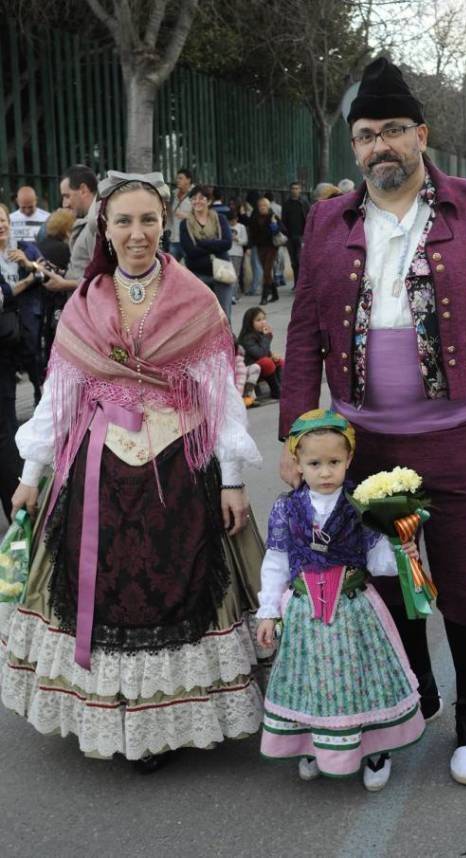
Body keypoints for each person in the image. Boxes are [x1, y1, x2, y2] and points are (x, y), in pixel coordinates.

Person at [278, 57, 466, 786]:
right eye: (366, 135)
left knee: (462, 578)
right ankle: (411, 696)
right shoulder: (330, 219)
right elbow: (304, 334)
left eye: (394, 130)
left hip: (459, 435)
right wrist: (300, 438)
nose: (380, 146)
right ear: (353, 148)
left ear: (422, 134)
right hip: (361, 442)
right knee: (387, 580)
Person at [2, 171, 265, 771]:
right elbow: (59, 399)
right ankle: (113, 704)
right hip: (100, 471)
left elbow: (221, 398)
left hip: (179, 466)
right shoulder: (84, 304)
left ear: (164, 224)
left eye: (149, 220)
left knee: (179, 585)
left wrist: (231, 479)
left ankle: (166, 714)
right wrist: (31, 472)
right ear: (106, 228)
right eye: (124, 221)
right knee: (107, 588)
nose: (137, 233)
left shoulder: (196, 300)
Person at [257, 409, 425, 789]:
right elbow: (276, 561)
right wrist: (268, 610)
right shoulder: (286, 508)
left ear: (349, 459)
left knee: (359, 678)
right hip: (304, 612)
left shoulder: (359, 506)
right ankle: (314, 744)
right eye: (314, 463)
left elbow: (377, 559)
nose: (325, 471)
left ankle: (375, 747)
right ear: (297, 462)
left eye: (334, 461)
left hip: (353, 609)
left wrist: (402, 552)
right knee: (311, 679)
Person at [0, 202, 44, 418]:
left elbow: (44, 273)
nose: (0, 226)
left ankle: (39, 394)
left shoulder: (25, 247)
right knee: (7, 379)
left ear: (9, 223)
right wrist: (26, 282)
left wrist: (28, 264)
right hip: (5, 326)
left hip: (27, 320)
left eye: (2, 220)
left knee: (33, 362)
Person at [39, 164, 99, 292]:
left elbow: (105, 280)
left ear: (83, 190)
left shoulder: (98, 224)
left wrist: (65, 284)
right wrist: (60, 274)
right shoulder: (92, 221)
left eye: (67, 196)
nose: (65, 203)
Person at [180, 184, 234, 320]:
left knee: (224, 315)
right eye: (193, 199)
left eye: (201, 198)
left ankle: (227, 340)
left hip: (222, 271)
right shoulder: (185, 223)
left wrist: (202, 243)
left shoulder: (219, 219)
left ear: (209, 201)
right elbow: (190, 251)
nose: (197, 201)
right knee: (201, 318)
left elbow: (227, 243)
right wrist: (216, 244)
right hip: (198, 273)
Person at [36, 207, 77, 367]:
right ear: (67, 228)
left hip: (43, 302)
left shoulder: (42, 244)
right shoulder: (64, 249)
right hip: (59, 303)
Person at [238, 307, 284, 399]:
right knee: (267, 362)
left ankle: (283, 387)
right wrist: (267, 337)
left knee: (280, 361)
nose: (263, 322)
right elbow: (260, 354)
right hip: (251, 369)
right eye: (258, 320)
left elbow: (266, 352)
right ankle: (276, 390)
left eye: (264, 319)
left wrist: (273, 356)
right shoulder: (247, 338)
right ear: (250, 323)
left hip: (260, 365)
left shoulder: (260, 334)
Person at [248, 198, 285, 305]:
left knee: (267, 272)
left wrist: (274, 225)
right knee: (266, 271)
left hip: (272, 247)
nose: (262, 207)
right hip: (260, 247)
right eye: (260, 205)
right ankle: (275, 294)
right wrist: (250, 247)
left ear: (268, 206)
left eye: (265, 205)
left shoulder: (273, 216)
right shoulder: (255, 217)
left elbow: (282, 229)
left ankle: (264, 297)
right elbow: (252, 233)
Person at [281, 181, 310, 287]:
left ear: (300, 190)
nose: (295, 190)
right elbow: (283, 220)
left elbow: (309, 218)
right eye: (293, 188)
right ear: (290, 190)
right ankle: (296, 283)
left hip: (302, 236)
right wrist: (284, 232)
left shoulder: (304, 203)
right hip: (290, 236)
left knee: (300, 260)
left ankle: (302, 284)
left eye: (297, 188)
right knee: (293, 262)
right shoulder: (287, 204)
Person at [167, 168, 193, 261]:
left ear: (188, 180)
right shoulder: (173, 194)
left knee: (190, 271)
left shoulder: (195, 194)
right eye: (177, 178)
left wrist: (187, 216)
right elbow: (171, 216)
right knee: (172, 270)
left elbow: (203, 216)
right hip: (174, 239)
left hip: (189, 240)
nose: (177, 180)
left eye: (180, 178)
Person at [227, 209, 248, 299]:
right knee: (228, 274)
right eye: (230, 221)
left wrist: (237, 239)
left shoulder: (241, 227)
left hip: (237, 254)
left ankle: (233, 295)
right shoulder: (226, 226)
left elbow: (245, 241)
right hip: (227, 252)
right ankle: (233, 293)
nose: (232, 222)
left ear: (237, 219)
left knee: (235, 274)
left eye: (233, 220)